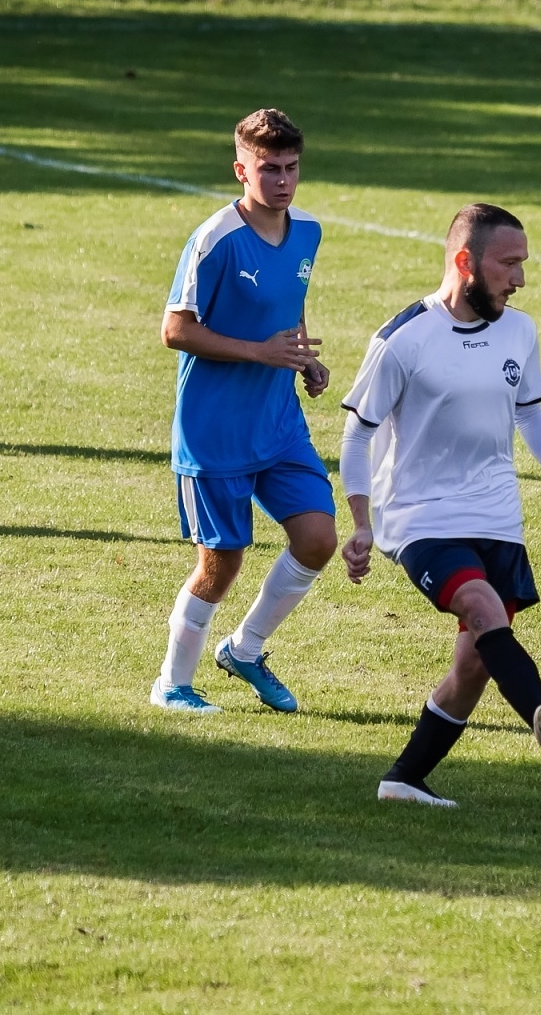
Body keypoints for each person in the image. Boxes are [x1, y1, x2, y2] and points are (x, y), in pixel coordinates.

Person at [338, 202, 541, 808]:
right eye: (509, 264)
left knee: (475, 662)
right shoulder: (404, 339)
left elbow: (528, 411)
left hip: (498, 516)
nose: (520, 278)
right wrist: (360, 522)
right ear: (465, 262)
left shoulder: (519, 331)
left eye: (523, 263)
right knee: (482, 608)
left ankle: (403, 779)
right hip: (421, 517)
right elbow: (357, 433)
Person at [149, 108, 337, 715]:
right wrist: (260, 352)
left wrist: (302, 357)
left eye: (291, 168)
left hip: (278, 424)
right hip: (216, 431)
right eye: (269, 169)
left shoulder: (308, 232)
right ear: (241, 170)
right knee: (222, 562)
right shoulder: (215, 239)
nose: (282, 181)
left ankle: (245, 649)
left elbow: (289, 301)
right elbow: (175, 330)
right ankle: (172, 684)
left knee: (317, 539)